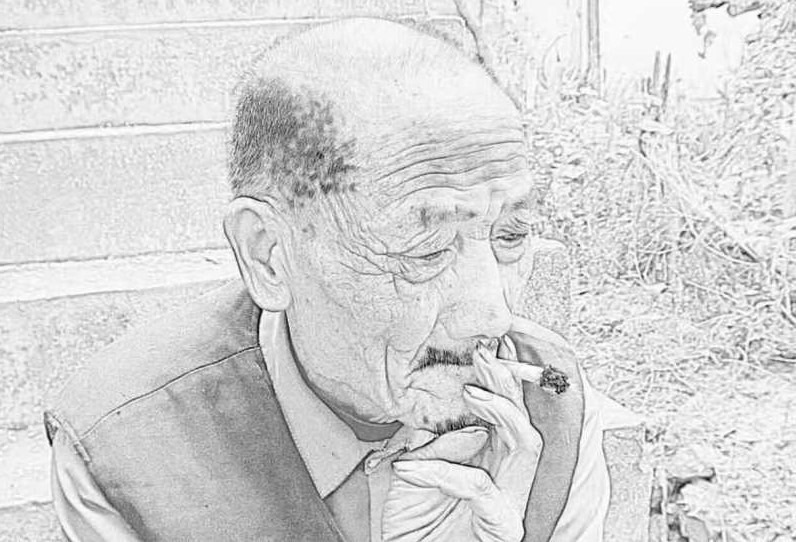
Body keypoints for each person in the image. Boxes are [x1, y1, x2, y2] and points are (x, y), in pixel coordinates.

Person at [44, 18, 636, 541]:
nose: (494, 314)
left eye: (510, 235)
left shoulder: (551, 408)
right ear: (269, 255)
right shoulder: (126, 445)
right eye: (427, 250)